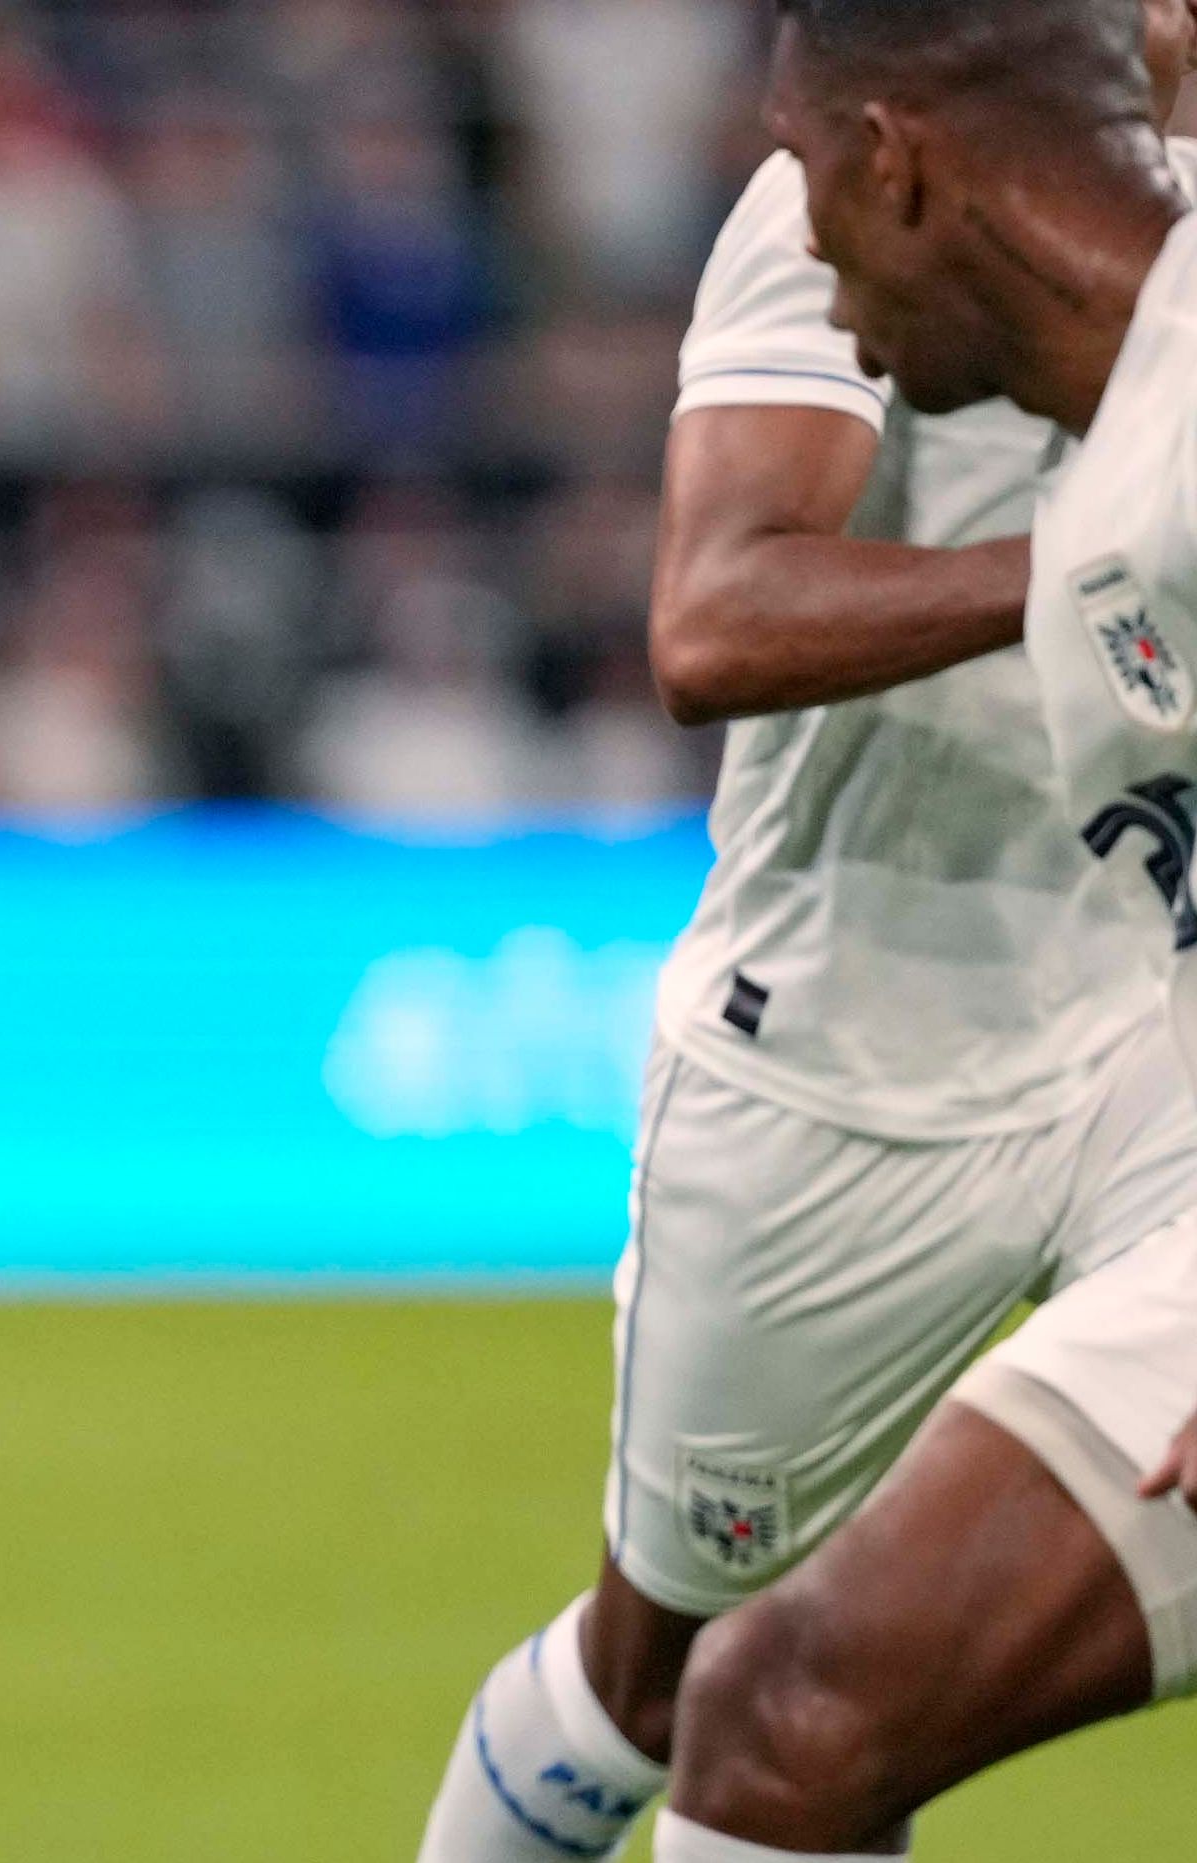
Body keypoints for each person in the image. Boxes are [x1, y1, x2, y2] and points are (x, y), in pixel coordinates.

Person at [414, 6, 1197, 1858]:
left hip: (1153, 1018)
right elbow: (713, 623)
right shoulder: (851, 201)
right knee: (677, 1680)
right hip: (856, 1040)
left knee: (804, 1710)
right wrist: (1110, 564)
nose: (832, 280)